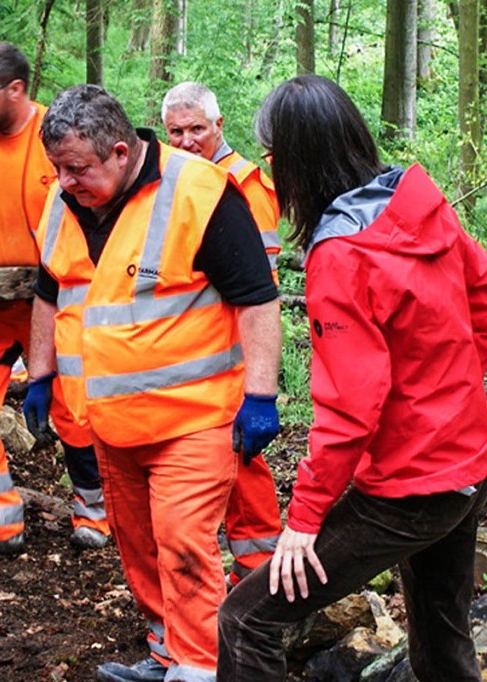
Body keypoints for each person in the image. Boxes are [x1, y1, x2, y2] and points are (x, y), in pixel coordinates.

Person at [218, 75, 487, 681]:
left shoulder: (342, 253)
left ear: (297, 162)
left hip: (410, 488)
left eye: (272, 158)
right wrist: (455, 395)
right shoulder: (420, 205)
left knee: (245, 620)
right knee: (442, 648)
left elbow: (349, 408)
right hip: (467, 463)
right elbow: (482, 298)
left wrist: (304, 518)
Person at [29, 84, 281, 682]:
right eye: (58, 168)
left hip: (193, 419)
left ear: (120, 152)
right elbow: (49, 289)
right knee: (138, 544)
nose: (65, 181)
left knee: (183, 542)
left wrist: (261, 396)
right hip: (109, 420)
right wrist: (40, 375)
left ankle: (200, 668)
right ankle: (168, 651)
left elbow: (257, 298)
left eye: (77, 168)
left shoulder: (200, 192)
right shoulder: (65, 200)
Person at [0, 43, 108, 555]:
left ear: (15, 89)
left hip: (55, 299)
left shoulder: (56, 138)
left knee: (73, 409)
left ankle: (97, 513)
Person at [160, 81, 283, 585]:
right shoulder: (175, 179)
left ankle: (261, 566)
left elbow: (262, 288)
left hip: (235, 347)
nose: (186, 140)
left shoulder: (245, 184)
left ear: (218, 125)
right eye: (176, 132)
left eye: (196, 129)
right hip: (196, 348)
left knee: (241, 452)